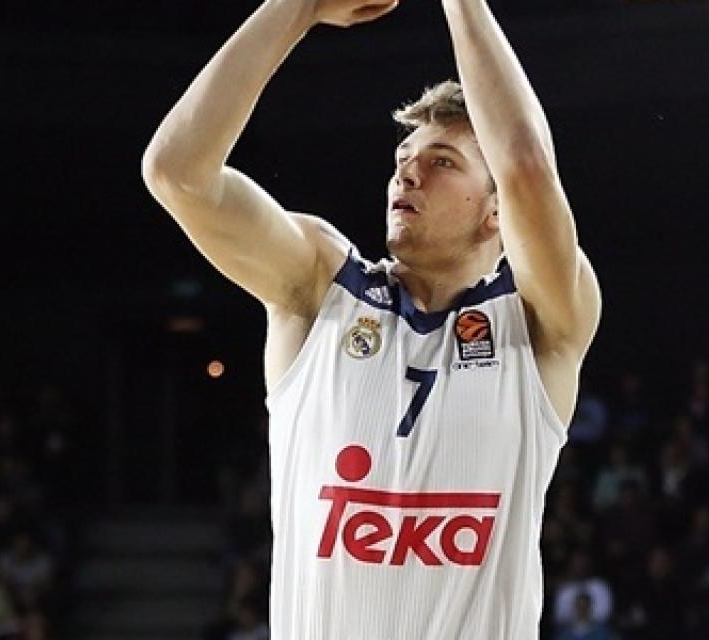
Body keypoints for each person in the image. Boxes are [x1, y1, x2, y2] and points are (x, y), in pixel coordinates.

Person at [141, 0, 601, 636]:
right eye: (403, 157)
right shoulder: (319, 285)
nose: (406, 172)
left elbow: (524, 164)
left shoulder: (540, 318)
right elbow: (177, 173)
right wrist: (296, 9)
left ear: (497, 212)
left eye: (442, 161)